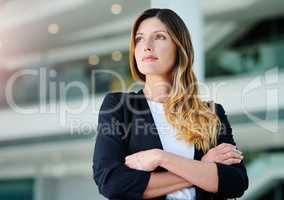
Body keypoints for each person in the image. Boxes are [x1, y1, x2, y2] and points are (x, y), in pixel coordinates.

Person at [93, 8, 248, 200]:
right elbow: (111, 183)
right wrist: (202, 167)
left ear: (179, 46)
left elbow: (236, 182)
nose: (146, 46)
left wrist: (160, 157)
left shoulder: (210, 112)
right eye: (140, 38)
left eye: (159, 37)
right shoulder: (118, 106)